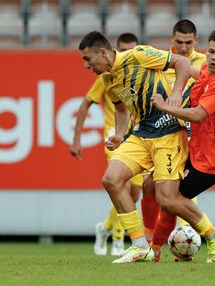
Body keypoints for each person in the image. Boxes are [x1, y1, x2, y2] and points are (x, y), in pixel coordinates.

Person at [79, 31, 191, 263]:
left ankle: (211, 234)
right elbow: (121, 110)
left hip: (167, 131)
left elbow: (182, 62)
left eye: (87, 59)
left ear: (102, 52)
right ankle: (140, 245)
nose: (86, 66)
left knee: (167, 198)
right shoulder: (108, 79)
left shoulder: (139, 55)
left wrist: (177, 94)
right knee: (111, 180)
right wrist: (120, 134)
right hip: (141, 134)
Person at [149, 28, 215, 263]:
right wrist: (147, 58)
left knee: (170, 200)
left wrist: (167, 106)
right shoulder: (204, 73)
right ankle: (155, 250)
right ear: (205, 50)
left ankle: (212, 234)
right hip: (195, 151)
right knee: (155, 189)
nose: (214, 57)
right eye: (211, 51)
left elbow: (199, 115)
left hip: (211, 162)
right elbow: (181, 65)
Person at [70, 33, 140, 256]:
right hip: (114, 136)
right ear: (112, 50)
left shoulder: (139, 69)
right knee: (122, 185)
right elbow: (85, 105)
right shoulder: (104, 77)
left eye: (132, 49)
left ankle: (105, 228)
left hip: (138, 136)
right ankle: (119, 241)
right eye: (124, 49)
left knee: (136, 194)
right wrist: (77, 139)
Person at [140, 19, 206, 244]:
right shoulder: (162, 61)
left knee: (183, 186)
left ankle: (187, 237)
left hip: (192, 134)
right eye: (179, 42)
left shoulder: (205, 63)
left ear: (196, 40)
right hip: (163, 132)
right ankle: (149, 237)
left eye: (189, 42)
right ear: (172, 39)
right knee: (149, 184)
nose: (184, 47)